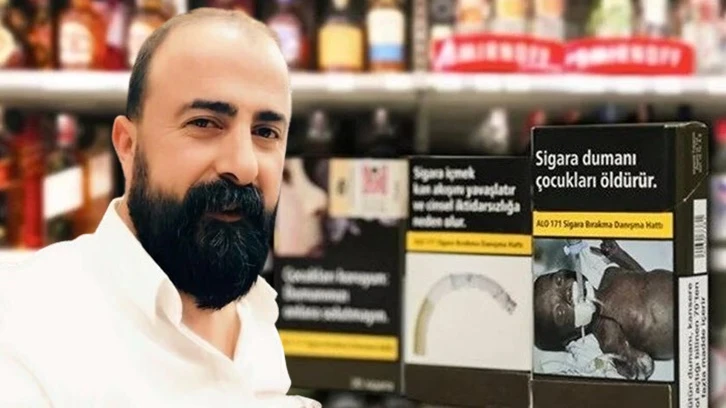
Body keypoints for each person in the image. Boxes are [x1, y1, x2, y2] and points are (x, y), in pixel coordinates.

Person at [0, 8, 319, 408]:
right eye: (204, 123)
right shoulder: (22, 326)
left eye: (266, 132)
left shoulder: (255, 314)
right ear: (128, 146)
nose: (243, 166)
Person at [533, 239, 673, 381]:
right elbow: (642, 367)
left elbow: (640, 274)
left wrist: (619, 255)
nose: (567, 293)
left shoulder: (608, 273)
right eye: (560, 312)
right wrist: (627, 358)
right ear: (570, 337)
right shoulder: (609, 340)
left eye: (559, 281)